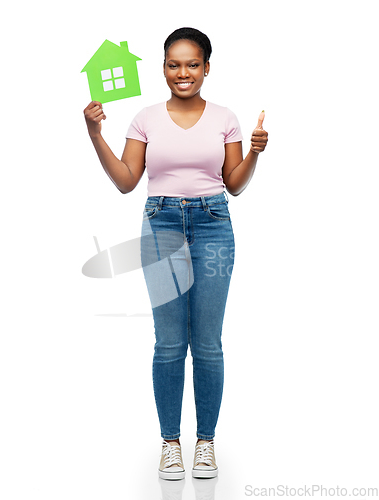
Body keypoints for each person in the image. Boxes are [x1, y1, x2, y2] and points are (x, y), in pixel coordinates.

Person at [83, 27, 268, 480]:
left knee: (207, 342)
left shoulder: (225, 117)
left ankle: (205, 444)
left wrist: (256, 153)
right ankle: (171, 444)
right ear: (163, 67)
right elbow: (127, 180)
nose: (182, 72)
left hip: (213, 226)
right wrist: (94, 133)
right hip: (161, 225)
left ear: (206, 67)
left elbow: (236, 184)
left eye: (192, 64)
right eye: (173, 64)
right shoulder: (145, 117)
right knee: (169, 343)